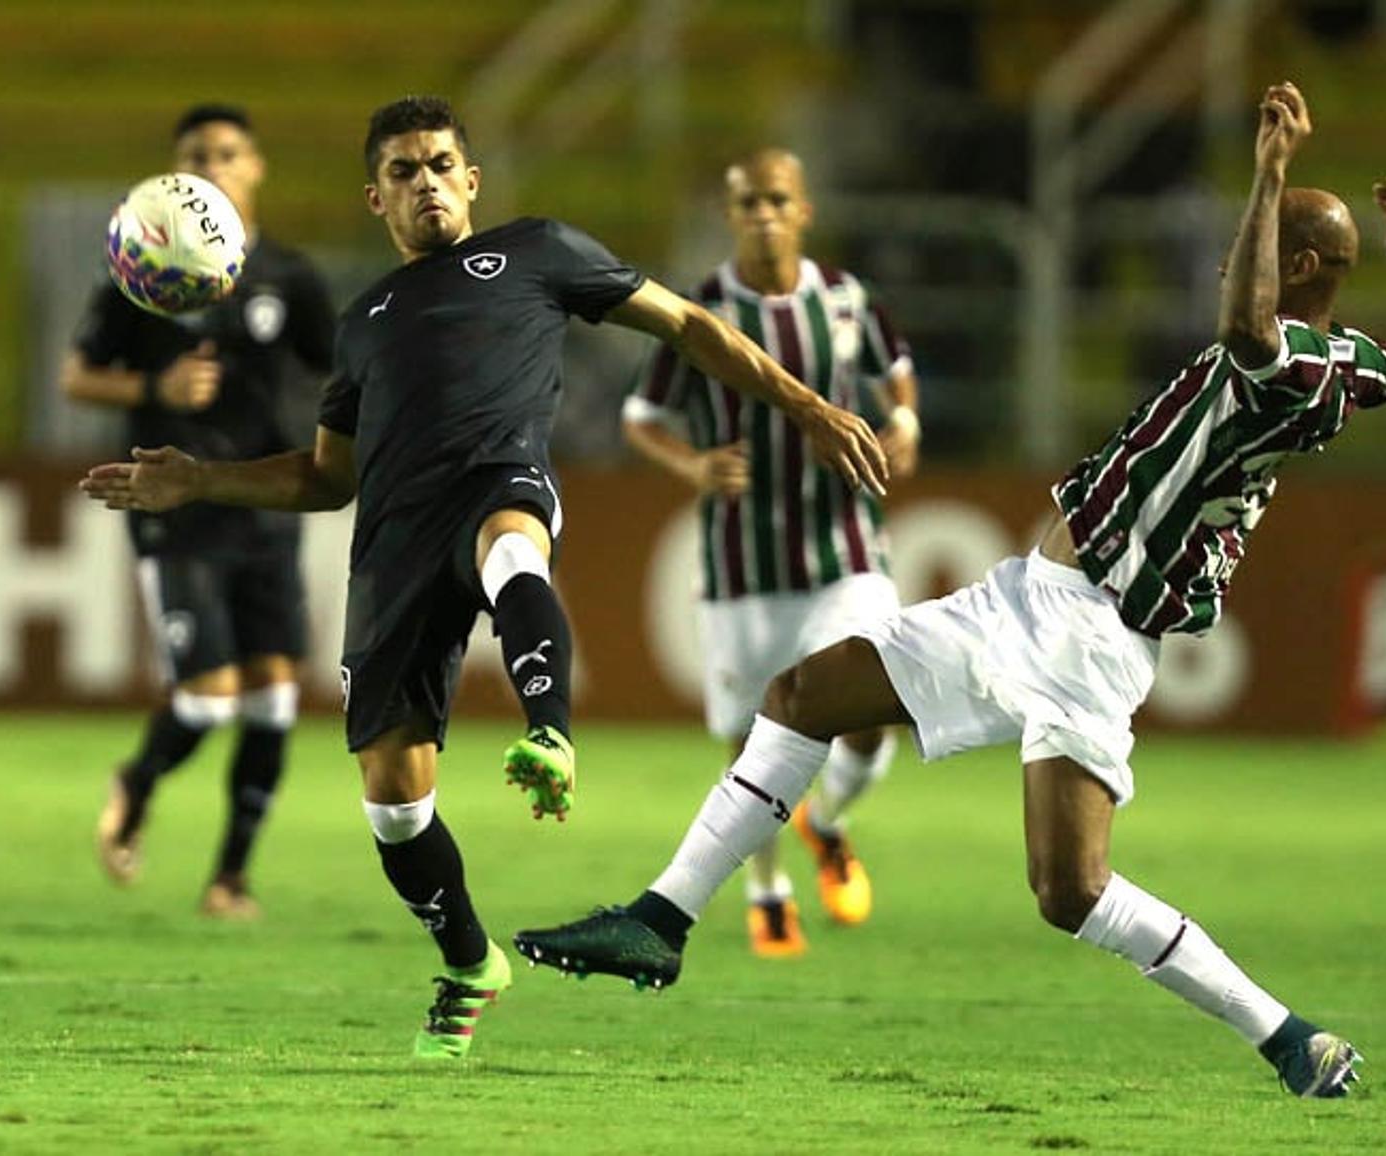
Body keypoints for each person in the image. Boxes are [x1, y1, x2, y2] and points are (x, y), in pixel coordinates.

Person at [516, 82, 1386, 1100]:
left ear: (1297, 265)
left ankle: (1288, 1036)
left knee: (1071, 891)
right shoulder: (1354, 364)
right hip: (1024, 599)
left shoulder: (1293, 367)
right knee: (801, 697)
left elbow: (1254, 330)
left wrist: (1268, 172)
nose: (1230, 254)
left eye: (1252, 240)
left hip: (1091, 638)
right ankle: (662, 918)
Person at [80, 95, 889, 1059]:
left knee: (512, 545)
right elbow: (325, 476)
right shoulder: (364, 322)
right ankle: (470, 962)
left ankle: (549, 732)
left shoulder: (540, 252)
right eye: (403, 171)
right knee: (393, 801)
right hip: (392, 543)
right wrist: (201, 479)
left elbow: (686, 327)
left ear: (471, 179)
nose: (425, 183)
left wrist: (805, 405)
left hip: (498, 477)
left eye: (439, 164)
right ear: (375, 197)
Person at [623, 148, 920, 957]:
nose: (761, 215)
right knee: (752, 740)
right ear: (731, 213)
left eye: (775, 200)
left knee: (874, 708)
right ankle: (769, 890)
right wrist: (692, 465)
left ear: (803, 210)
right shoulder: (699, 310)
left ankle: (828, 822)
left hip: (844, 548)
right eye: (747, 202)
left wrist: (906, 427)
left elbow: (897, 375)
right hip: (743, 564)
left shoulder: (850, 301)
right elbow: (641, 414)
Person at [62, 102, 336, 920]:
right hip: (173, 505)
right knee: (208, 699)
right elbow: (77, 377)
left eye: (228, 153)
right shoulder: (139, 267)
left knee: (276, 697)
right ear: (175, 171)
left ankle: (230, 878)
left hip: (261, 498)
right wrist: (158, 389)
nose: (215, 165)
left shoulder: (287, 274)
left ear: (255, 168)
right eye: (197, 154)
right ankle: (137, 781)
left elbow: (339, 371)